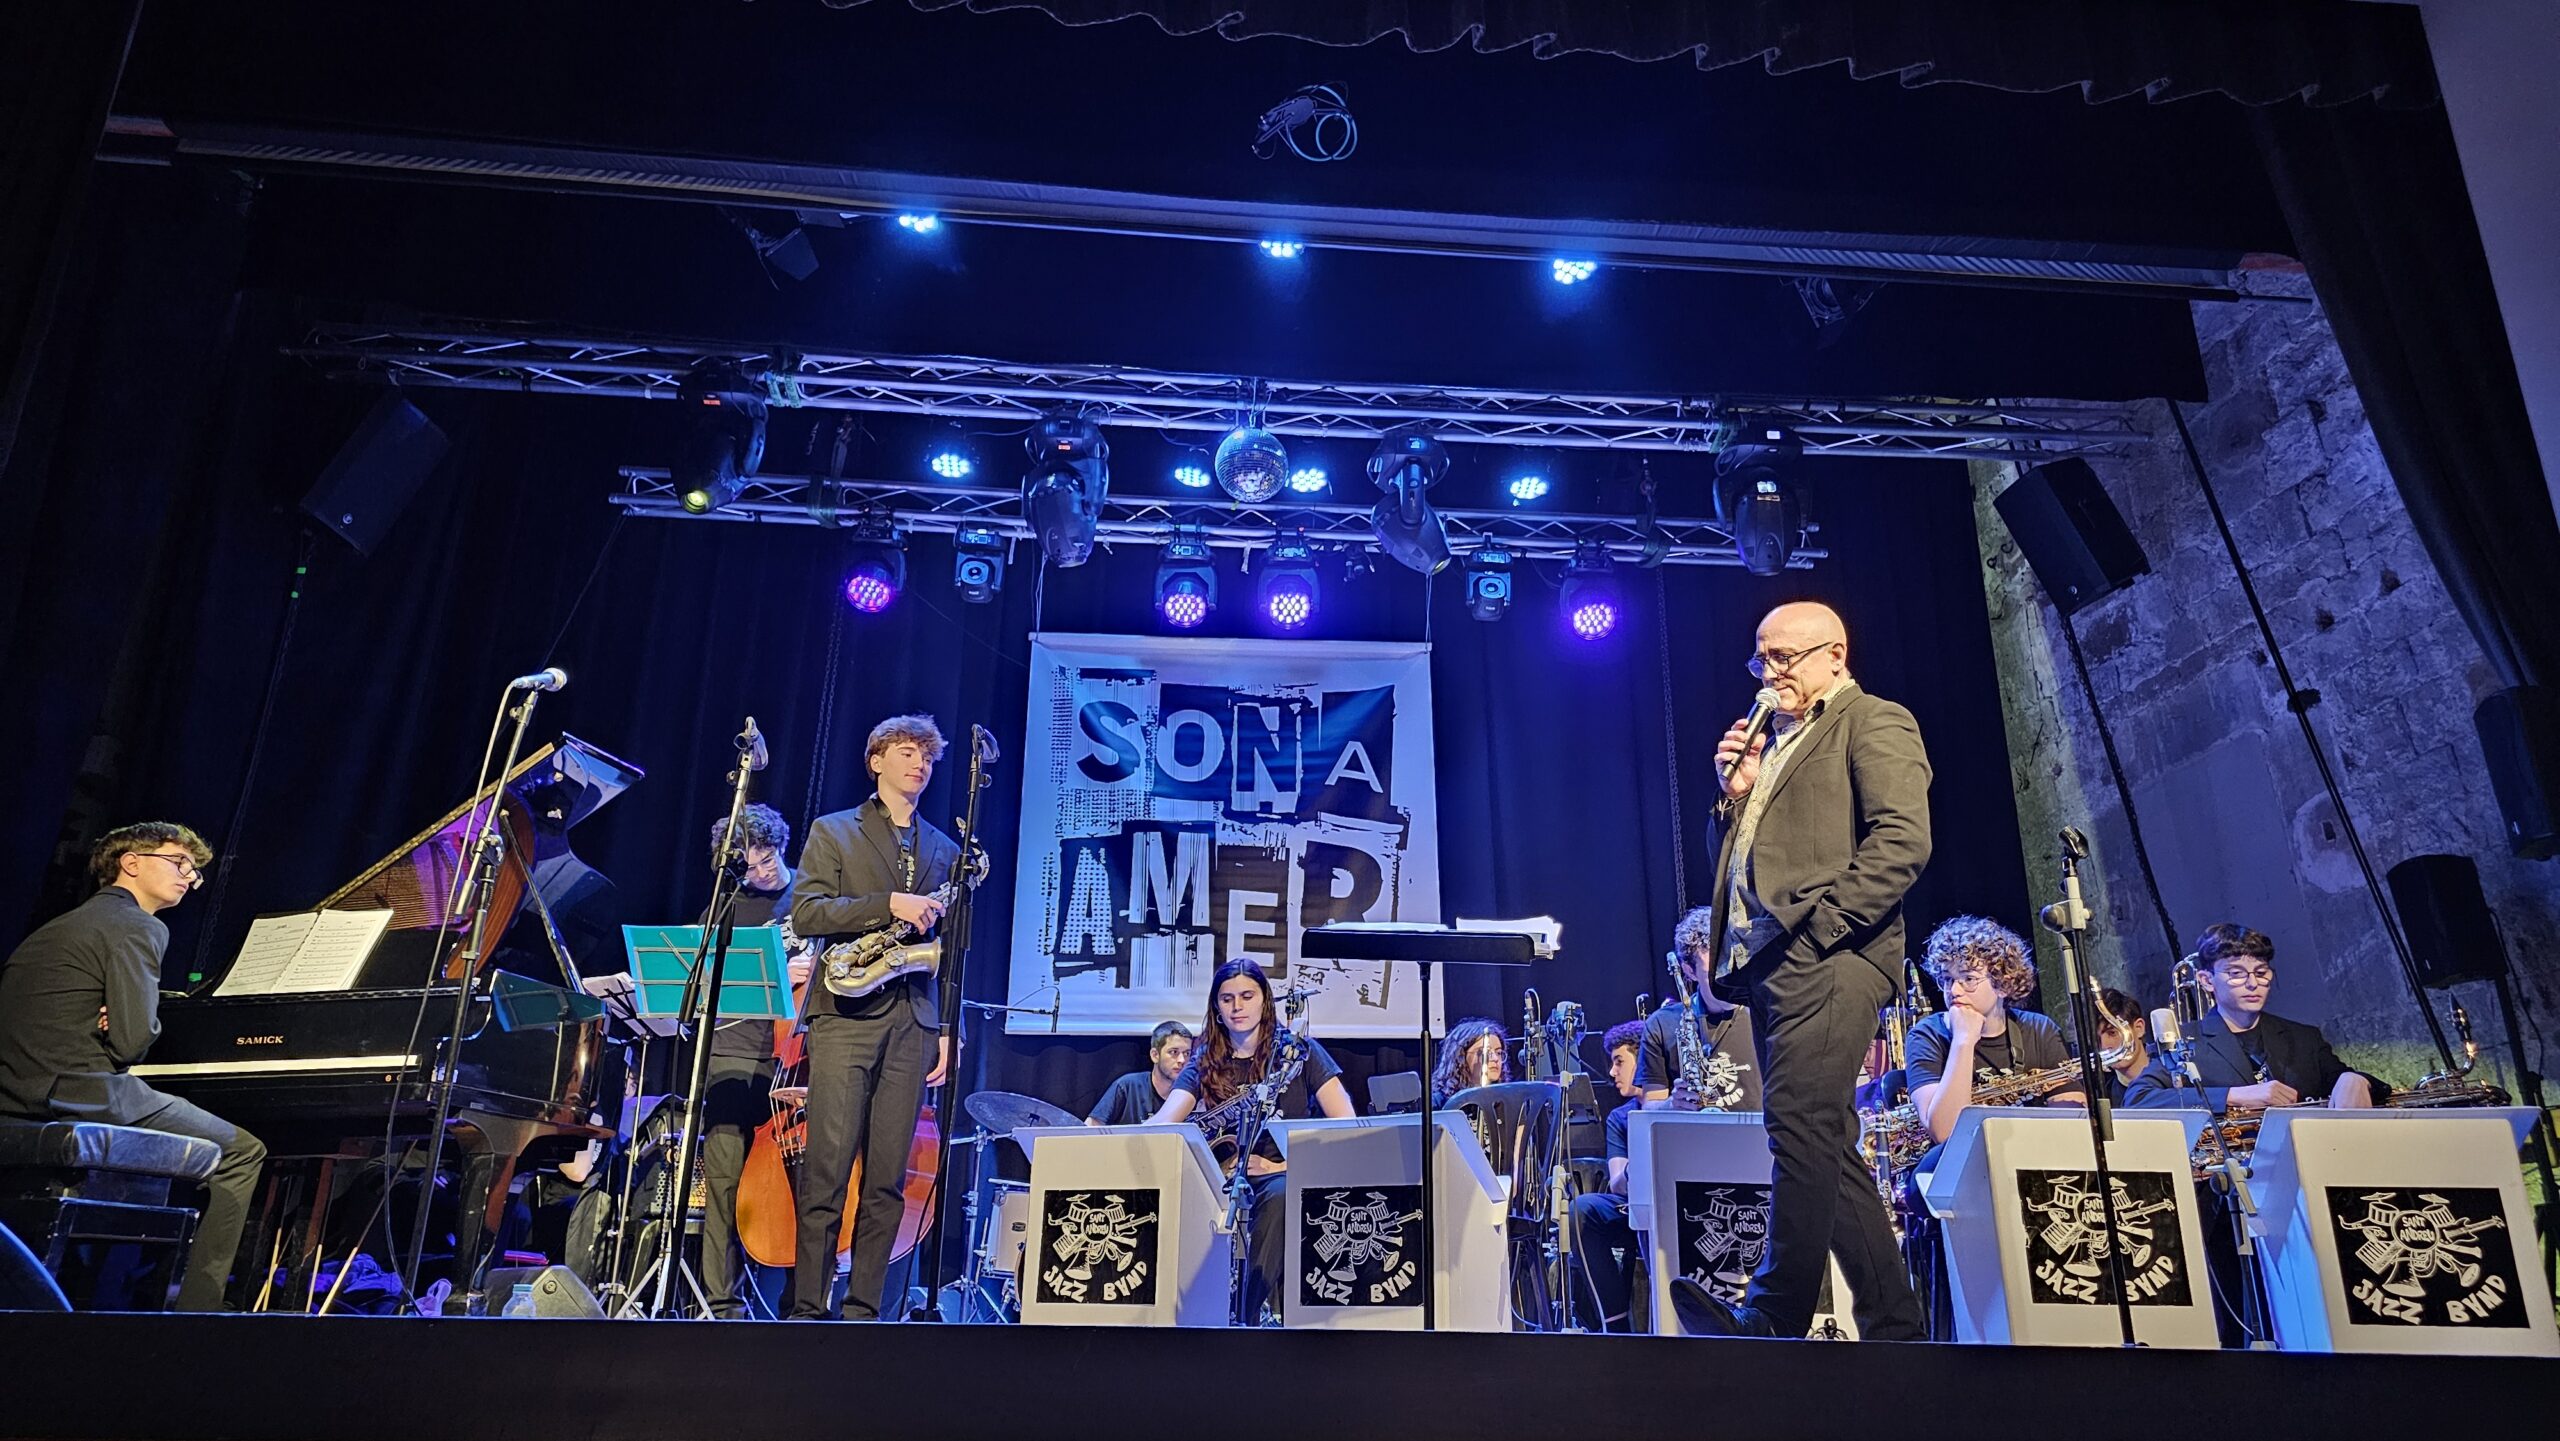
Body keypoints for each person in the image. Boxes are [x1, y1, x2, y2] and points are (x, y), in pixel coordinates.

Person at [1672, 601, 1930, 1342]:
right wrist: (1736, 798)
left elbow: (1903, 841)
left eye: (1784, 657)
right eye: (1761, 658)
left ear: (1835, 655)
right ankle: (1896, 1330)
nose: (1769, 672)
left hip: (1833, 956)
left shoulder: (1872, 720)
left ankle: (1772, 1314)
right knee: (1823, 1138)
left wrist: (1822, 930)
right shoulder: (1777, 744)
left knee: (1797, 1124)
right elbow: (1746, 862)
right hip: (1773, 962)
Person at [0, 823, 266, 1311]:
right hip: (80, 1092)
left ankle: (129, 1288)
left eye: (194, 871)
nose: (189, 877)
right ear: (131, 862)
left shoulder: (60, 926)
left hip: (14, 1092)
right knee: (244, 1153)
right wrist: (133, 1020)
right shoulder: (139, 926)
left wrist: (115, 1016)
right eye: (179, 862)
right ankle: (198, 1312)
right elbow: (131, 1043)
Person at [786, 715, 961, 1320]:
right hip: (845, 1016)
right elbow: (807, 913)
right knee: (827, 1171)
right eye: (907, 752)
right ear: (876, 761)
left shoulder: (946, 849)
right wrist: (888, 904)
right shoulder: (834, 830)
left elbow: (952, 952)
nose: (919, 764)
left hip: (913, 1021)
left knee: (888, 1179)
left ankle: (864, 1312)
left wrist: (946, 1030)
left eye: (927, 757)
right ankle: (807, 1309)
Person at [1147, 958, 1356, 1324]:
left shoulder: (1299, 1052)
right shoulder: (1205, 1059)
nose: (1237, 1007)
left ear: (1265, 1001)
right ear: (1216, 1006)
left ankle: (1247, 1316)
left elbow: (1346, 1126)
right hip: (1222, 1176)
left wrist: (1279, 1165)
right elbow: (1166, 1120)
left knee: (1280, 1195)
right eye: (1227, 999)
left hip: (1284, 1174)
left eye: (1247, 996)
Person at [696, 803, 812, 1319]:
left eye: (767, 859)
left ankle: (799, 1303)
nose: (761, 872)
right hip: (731, 1053)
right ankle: (722, 1304)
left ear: (780, 847)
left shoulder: (811, 896)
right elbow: (702, 983)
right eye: (748, 864)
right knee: (723, 1184)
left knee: (802, 1186)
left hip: (797, 1058)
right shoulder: (722, 909)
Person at [2123, 924, 2376, 1113]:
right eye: (2236, 973)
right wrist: (2233, 1096)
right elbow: (2138, 1099)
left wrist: (2357, 1079)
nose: (2253, 983)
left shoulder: (2304, 1038)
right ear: (2207, 981)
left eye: (2261, 973)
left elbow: (2358, 1086)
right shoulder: (2184, 1041)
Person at [1902, 917, 2085, 1147]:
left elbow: (2072, 1120)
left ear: (2002, 985)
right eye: (1947, 979)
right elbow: (1945, 1132)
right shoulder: (1927, 1035)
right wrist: (1963, 1041)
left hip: (2032, 1150)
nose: (1954, 990)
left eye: (1968, 978)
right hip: (1959, 1159)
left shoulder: (2039, 1029)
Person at [1637, 906, 1763, 1113]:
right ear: (1689, 971)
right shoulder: (1661, 1024)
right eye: (1713, 973)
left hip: (1756, 1133)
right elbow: (1649, 1105)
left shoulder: (1765, 1013)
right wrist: (1672, 1105)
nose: (1728, 982)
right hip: (1692, 1133)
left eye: (1732, 968)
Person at [1568, 1020, 1649, 1331]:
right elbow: (1617, 1183)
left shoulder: (1683, 1103)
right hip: (1634, 1207)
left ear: (1644, 1058)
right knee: (1583, 1210)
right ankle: (1615, 1326)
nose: (1613, 1072)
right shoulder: (1620, 1117)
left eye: (1619, 1062)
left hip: (1679, 1207)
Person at [1087, 1021, 1196, 1126]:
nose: (1182, 1060)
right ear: (1155, 1055)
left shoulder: (1195, 1093)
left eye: (1187, 1053)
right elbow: (1091, 1127)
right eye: (1174, 1052)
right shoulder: (1127, 1086)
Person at [1432, 1017, 1512, 1105]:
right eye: (1485, 1052)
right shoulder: (1437, 1103)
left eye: (1499, 1053)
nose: (1495, 1059)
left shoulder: (1506, 1100)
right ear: (1460, 1056)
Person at [2092, 987, 2151, 1106]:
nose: (2104, 1045)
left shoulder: (2176, 1076)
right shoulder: (2103, 1098)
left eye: (2112, 1033)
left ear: (2139, 1028)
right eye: (2096, 1039)